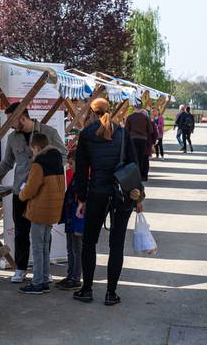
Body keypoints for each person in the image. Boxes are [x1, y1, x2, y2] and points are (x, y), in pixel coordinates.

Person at [0, 102, 67, 283]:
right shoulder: (12, 138)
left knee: (43, 233)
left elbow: (63, 155)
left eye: (12, 120)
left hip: (42, 191)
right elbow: (6, 163)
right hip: (20, 191)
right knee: (21, 231)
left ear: (22, 117)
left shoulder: (48, 132)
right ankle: (20, 268)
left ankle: (43, 270)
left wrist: (48, 170)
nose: (10, 125)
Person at [74, 97, 143, 306]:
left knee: (89, 242)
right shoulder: (122, 134)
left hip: (97, 192)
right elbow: (134, 165)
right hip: (122, 193)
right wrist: (139, 194)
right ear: (110, 111)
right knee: (116, 244)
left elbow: (81, 171)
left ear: (92, 112)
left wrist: (82, 198)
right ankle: (111, 293)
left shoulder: (86, 135)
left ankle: (86, 289)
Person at [17, 133, 66, 294]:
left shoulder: (39, 163)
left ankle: (38, 282)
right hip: (53, 209)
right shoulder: (57, 158)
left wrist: (21, 194)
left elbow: (31, 188)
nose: (32, 153)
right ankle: (44, 278)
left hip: (39, 210)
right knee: (45, 246)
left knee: (38, 247)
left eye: (33, 150)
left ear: (36, 147)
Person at [56, 150, 84, 291]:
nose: (69, 165)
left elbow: (82, 206)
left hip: (76, 220)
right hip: (70, 219)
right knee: (70, 248)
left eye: (71, 162)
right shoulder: (76, 177)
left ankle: (75, 277)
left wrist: (80, 227)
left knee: (76, 249)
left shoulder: (82, 180)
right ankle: (71, 275)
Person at [125, 100, 155, 181]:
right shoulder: (145, 117)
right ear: (142, 107)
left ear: (134, 106)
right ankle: (141, 175)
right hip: (143, 139)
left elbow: (126, 130)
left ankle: (134, 175)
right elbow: (151, 130)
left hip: (133, 139)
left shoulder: (130, 117)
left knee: (133, 157)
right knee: (142, 157)